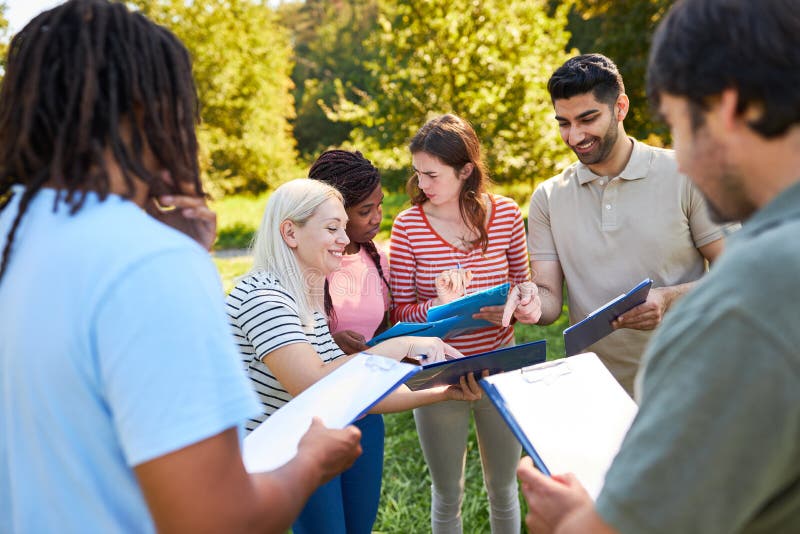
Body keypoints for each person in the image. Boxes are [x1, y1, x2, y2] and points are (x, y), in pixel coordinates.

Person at [0, 1, 363, 533]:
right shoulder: (149, 264)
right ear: (149, 111)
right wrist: (310, 461)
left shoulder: (16, 233)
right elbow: (215, 518)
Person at [517, 0, 800, 532]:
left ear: (728, 110)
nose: (685, 157)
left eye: (679, 124)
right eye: (563, 123)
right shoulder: (549, 196)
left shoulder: (751, 299)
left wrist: (570, 519)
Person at [226, 178, 485, 534]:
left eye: (344, 229)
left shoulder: (304, 296)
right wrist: (398, 346)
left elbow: (350, 390)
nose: (345, 240)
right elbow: (312, 384)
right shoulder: (264, 299)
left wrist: (443, 392)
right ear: (290, 233)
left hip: (302, 444)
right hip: (260, 467)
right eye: (332, 228)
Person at [527, 52, 732, 395]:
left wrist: (668, 299)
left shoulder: (687, 174)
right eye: (563, 123)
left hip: (689, 382)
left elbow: (739, 273)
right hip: (596, 391)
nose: (574, 136)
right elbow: (548, 304)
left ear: (620, 107)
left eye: (587, 119)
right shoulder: (548, 197)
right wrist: (528, 301)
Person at [389, 113, 541, 533]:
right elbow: (399, 312)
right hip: (439, 375)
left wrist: (519, 299)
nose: (422, 185)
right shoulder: (407, 226)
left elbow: (522, 284)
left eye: (432, 175)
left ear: (466, 171)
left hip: (501, 368)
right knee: (447, 493)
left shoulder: (507, 214)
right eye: (418, 173)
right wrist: (439, 306)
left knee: (503, 487)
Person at [307, 149, 391, 531]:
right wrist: (330, 340)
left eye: (380, 206)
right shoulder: (307, 264)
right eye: (365, 211)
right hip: (315, 420)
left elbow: (387, 330)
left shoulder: (377, 259)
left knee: (360, 525)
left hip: (365, 412)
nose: (377, 218)